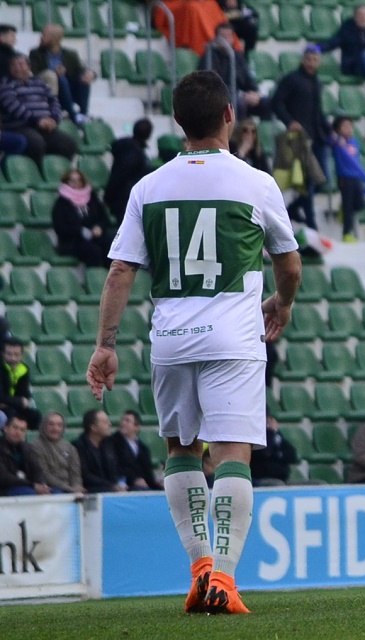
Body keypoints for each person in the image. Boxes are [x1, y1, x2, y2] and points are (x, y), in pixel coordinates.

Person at [85, 70, 302, 615]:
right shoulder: (254, 183)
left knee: (181, 451)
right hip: (234, 337)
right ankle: (224, 581)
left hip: (172, 340)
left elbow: (119, 273)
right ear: (230, 115)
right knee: (233, 456)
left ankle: (200, 567)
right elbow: (290, 263)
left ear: (178, 123)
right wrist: (283, 301)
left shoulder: (149, 187)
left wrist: (105, 345)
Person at [272, 45, 331, 230]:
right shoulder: (292, 80)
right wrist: (289, 121)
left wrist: (331, 131)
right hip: (300, 139)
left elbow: (318, 112)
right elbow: (277, 103)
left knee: (322, 180)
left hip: (317, 137)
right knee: (307, 182)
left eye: (315, 59)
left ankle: (292, 208)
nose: (311, 62)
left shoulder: (317, 82)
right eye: (309, 58)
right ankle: (311, 221)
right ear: (303, 59)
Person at [0, 54, 77, 166]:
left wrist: (54, 118)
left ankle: (59, 174)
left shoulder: (40, 83)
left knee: (68, 144)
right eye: (13, 65)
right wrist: (37, 120)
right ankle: (36, 173)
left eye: (21, 64)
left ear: (29, 67)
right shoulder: (6, 85)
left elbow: (54, 101)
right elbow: (14, 107)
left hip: (45, 125)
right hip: (20, 126)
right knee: (36, 143)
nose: (17, 68)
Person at [199, 23, 270, 120]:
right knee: (238, 103)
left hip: (241, 94)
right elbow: (215, 84)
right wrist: (242, 95)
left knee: (266, 102)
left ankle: (262, 133)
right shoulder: (210, 56)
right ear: (216, 38)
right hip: (222, 97)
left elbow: (248, 76)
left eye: (229, 36)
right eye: (223, 37)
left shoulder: (238, 56)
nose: (226, 40)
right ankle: (237, 133)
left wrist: (254, 92)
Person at [29, 24, 95, 124]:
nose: (41, 37)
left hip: (70, 90)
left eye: (44, 35)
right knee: (60, 78)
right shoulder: (35, 53)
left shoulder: (70, 54)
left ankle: (83, 113)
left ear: (55, 38)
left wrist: (91, 74)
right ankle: (73, 115)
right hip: (51, 90)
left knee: (83, 76)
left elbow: (82, 69)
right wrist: (54, 73)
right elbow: (34, 74)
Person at [52, 167, 116, 268]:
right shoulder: (61, 203)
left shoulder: (92, 198)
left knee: (110, 245)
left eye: (79, 180)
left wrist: (99, 227)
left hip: (95, 237)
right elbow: (60, 228)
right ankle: (94, 279)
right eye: (72, 181)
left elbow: (104, 219)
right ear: (66, 182)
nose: (76, 183)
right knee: (93, 251)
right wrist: (81, 231)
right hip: (72, 242)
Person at [329, 115, 365, 242]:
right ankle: (346, 233)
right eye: (344, 126)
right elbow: (329, 140)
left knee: (360, 203)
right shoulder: (336, 141)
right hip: (344, 177)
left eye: (350, 126)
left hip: (356, 176)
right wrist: (337, 139)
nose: (348, 129)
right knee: (348, 206)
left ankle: (342, 208)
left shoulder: (354, 141)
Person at [104, 118, 154, 221]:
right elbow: (120, 176)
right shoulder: (134, 153)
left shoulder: (128, 149)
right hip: (126, 201)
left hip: (125, 199)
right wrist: (107, 198)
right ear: (149, 135)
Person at [27, 411, 85, 493]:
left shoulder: (69, 446)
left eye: (59, 425)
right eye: (51, 424)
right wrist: (68, 488)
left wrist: (77, 487)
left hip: (70, 488)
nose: (55, 428)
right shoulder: (35, 446)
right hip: (51, 488)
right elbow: (44, 475)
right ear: (44, 426)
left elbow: (75, 472)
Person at [74, 408, 128, 493]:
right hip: (91, 490)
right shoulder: (79, 446)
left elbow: (117, 468)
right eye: (105, 422)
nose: (110, 424)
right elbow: (85, 475)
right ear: (94, 427)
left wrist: (121, 482)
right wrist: (111, 486)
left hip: (111, 487)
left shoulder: (109, 444)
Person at [108, 410, 163, 490]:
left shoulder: (143, 448)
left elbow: (147, 472)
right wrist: (134, 480)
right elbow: (115, 467)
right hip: (124, 484)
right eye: (123, 420)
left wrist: (155, 483)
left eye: (127, 421)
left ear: (137, 427)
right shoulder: (112, 442)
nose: (123, 423)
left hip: (142, 485)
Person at [0, 415, 50, 496]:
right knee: (28, 493)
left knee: (55, 492)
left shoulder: (27, 447)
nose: (18, 432)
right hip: (5, 489)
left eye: (22, 430)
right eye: (15, 428)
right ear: (6, 428)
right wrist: (32, 485)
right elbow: (4, 477)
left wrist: (42, 484)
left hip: (28, 485)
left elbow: (37, 470)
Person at [1, 338, 42, 431]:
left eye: (16, 354)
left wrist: (18, 402)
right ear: (3, 354)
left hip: (13, 407)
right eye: (9, 354)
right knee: (7, 417)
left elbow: (25, 395)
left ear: (21, 355)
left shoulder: (23, 369)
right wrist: (19, 402)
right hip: (6, 410)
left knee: (35, 416)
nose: (13, 358)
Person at [249, 413, 298, 486]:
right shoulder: (257, 438)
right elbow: (266, 452)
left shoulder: (277, 436)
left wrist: (277, 454)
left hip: (282, 478)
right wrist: (270, 432)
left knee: (316, 484)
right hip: (260, 479)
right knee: (278, 485)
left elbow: (292, 455)